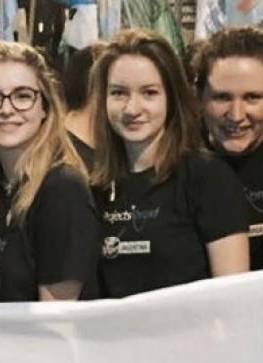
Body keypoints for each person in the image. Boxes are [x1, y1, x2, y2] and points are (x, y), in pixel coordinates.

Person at [89, 29, 250, 298]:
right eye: (119, 93)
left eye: (149, 93)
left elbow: (234, 299)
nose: (132, 108)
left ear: (171, 98)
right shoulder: (96, 187)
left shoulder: (208, 177)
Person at [0, 40, 99, 302]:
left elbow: (56, 322)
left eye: (23, 96)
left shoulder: (62, 190)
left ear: (45, 107)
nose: (6, 108)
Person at [192, 26, 263, 269]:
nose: (236, 115)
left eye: (252, 98)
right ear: (199, 96)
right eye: (222, 97)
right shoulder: (177, 156)